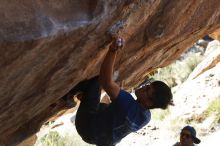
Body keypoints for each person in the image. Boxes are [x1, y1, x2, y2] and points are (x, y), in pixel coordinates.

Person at [62, 36, 173, 146]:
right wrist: (119, 96)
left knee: (96, 82)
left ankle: (67, 96)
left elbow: (105, 81)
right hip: (100, 138)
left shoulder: (128, 105)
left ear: (149, 103)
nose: (144, 86)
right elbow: (120, 112)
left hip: (86, 125)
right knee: (107, 106)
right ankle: (86, 97)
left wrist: (113, 50)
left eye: (147, 89)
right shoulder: (146, 117)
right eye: (148, 85)